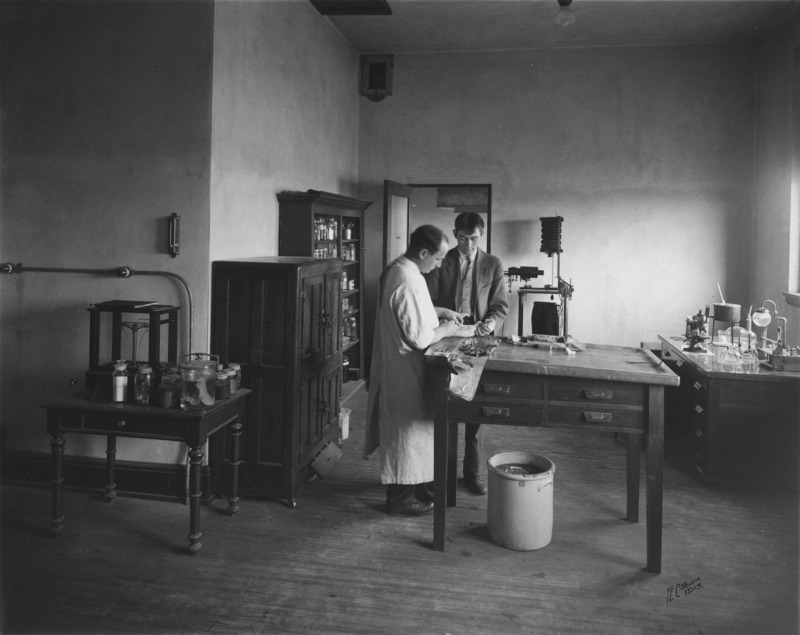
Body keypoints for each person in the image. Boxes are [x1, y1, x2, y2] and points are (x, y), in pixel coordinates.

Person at [363, 225, 464, 516]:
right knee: (405, 436)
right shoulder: (405, 278)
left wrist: (439, 311)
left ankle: (416, 488)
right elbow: (418, 336)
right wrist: (445, 328)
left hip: (407, 367)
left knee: (416, 434)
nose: (440, 264)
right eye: (437, 258)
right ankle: (399, 499)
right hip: (405, 369)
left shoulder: (404, 269)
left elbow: (413, 310)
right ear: (423, 252)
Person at [424, 212, 508, 496]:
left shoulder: (493, 264)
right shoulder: (441, 260)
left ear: (481, 235)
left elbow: (500, 306)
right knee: (440, 405)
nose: (468, 245)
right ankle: (438, 475)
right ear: (455, 234)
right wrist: (445, 324)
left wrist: (492, 322)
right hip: (445, 337)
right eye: (463, 238)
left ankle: (471, 473)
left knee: (475, 408)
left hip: (478, 339)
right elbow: (429, 303)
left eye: (474, 239)